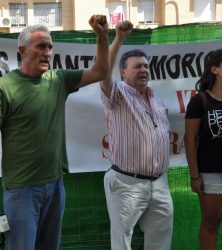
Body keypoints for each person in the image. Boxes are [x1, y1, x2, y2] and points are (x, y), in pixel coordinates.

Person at [0, 15, 109, 250]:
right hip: (21, 189)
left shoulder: (58, 79)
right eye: (41, 46)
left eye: (50, 47)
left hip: (55, 185)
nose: (48, 52)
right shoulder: (2, 88)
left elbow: (100, 72)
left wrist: (101, 36)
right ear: (22, 50)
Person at [100, 21, 173, 250]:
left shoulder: (157, 101)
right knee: (122, 242)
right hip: (126, 183)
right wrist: (119, 38)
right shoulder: (117, 95)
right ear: (122, 72)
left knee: (160, 242)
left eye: (145, 66)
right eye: (137, 67)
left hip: (159, 183)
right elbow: (103, 71)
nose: (143, 70)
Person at [184, 49, 222, 250]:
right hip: (211, 174)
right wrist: (195, 176)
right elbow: (190, 139)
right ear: (215, 70)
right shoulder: (200, 101)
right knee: (211, 224)